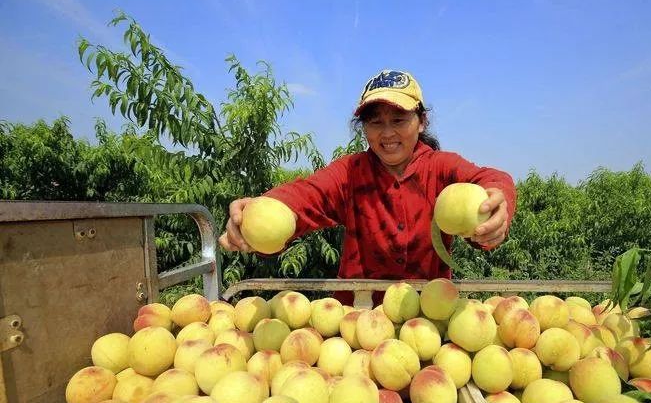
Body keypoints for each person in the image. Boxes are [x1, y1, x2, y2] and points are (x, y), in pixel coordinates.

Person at [220, 69, 517, 305]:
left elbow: (490, 179)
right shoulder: (351, 173)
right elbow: (304, 196)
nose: (387, 133)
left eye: (399, 119)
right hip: (358, 322)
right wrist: (259, 210)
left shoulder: (441, 168)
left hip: (429, 317)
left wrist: (497, 206)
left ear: (422, 121)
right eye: (375, 123)